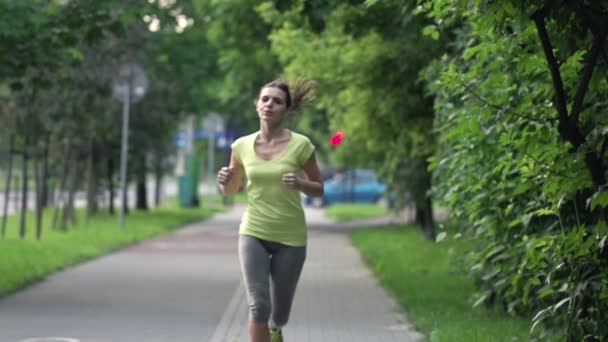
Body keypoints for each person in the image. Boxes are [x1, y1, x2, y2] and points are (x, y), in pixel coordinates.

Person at [216, 78, 324, 342]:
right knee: (259, 305)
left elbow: (319, 188)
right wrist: (225, 182)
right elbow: (231, 191)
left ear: (286, 110)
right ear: (257, 105)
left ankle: (276, 329)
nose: (269, 104)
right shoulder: (241, 146)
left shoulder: (301, 145)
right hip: (254, 231)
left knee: (280, 312)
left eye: (276, 101)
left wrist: (300, 183)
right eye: (264, 99)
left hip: (291, 237)